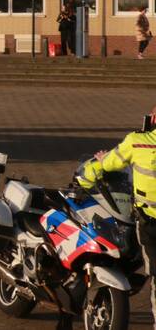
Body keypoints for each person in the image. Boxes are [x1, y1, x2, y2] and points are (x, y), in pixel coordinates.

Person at [78, 105, 156, 324]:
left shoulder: (137, 142)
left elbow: (108, 163)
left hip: (149, 223)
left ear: (152, 120)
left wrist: (91, 170)